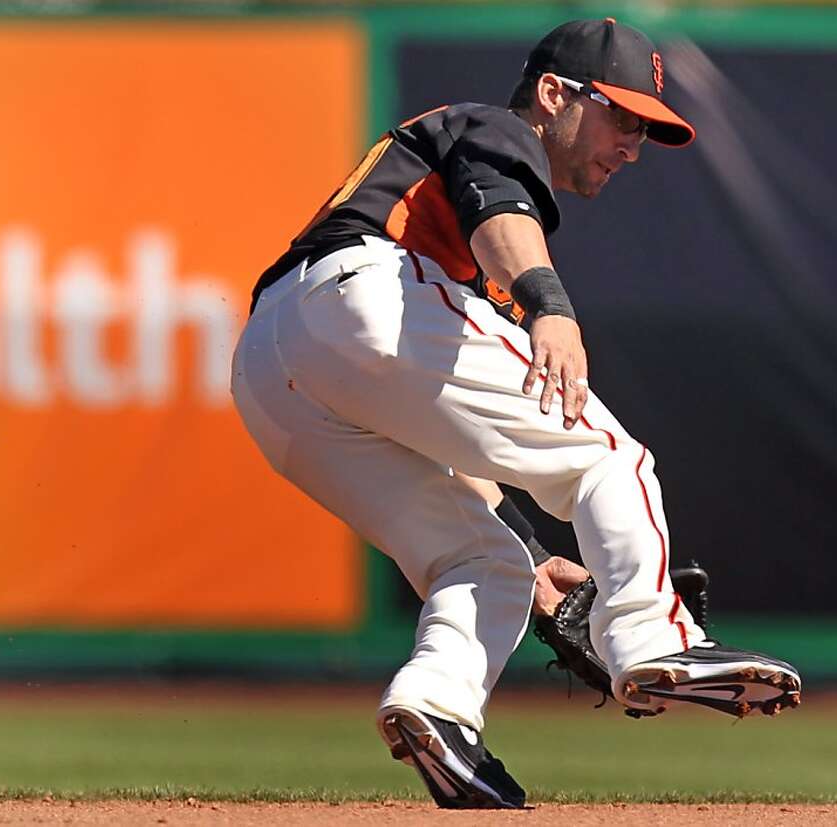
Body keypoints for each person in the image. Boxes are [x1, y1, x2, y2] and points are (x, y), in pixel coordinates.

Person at [231, 18, 801, 810]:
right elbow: (499, 209)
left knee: (487, 562)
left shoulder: (451, 257)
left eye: (647, 127)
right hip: (360, 294)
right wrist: (549, 307)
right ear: (555, 94)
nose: (633, 142)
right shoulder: (498, 127)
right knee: (609, 457)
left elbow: (454, 438)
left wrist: (538, 560)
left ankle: (437, 705)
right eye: (623, 116)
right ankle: (651, 637)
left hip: (271, 372)